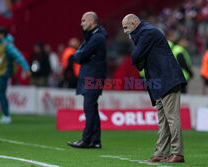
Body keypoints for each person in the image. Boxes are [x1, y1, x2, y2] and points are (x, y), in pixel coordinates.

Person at [122, 14, 186, 163]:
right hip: (159, 81)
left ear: (134, 23)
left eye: (126, 27)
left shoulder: (147, 32)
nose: (125, 31)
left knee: (171, 118)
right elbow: (138, 59)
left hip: (167, 79)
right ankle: (161, 152)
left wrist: (138, 58)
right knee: (163, 120)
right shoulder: (144, 33)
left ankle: (178, 153)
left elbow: (136, 57)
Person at [67, 11, 107, 149]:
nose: (81, 23)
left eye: (83, 20)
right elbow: (80, 54)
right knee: (92, 108)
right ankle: (95, 141)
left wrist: (80, 55)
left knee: (89, 108)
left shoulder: (96, 38)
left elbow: (79, 55)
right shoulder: (93, 36)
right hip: (91, 75)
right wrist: (81, 55)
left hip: (93, 76)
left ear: (91, 21)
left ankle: (86, 140)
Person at [0, 26, 31, 124]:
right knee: (0, 94)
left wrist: (26, 68)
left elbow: (19, 57)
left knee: (1, 94)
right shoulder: (0, 44)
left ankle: (6, 116)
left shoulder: (8, 46)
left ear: (2, 34)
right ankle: (6, 115)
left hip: (4, 74)